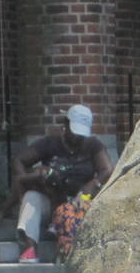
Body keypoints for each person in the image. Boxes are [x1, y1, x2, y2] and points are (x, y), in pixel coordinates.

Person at [10, 103, 113, 263]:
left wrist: (93, 185)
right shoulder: (50, 143)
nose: (78, 137)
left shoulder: (93, 146)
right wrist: (24, 185)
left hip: (79, 200)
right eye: (75, 131)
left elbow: (107, 170)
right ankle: (29, 246)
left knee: (81, 208)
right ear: (65, 125)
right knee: (31, 197)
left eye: (82, 133)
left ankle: (69, 250)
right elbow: (19, 160)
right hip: (51, 198)